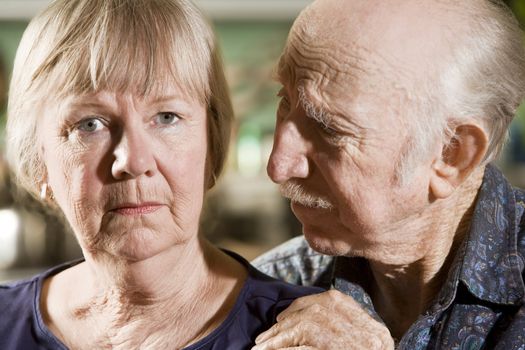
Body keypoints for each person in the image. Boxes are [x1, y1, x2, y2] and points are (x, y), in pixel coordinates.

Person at [0, 0, 321, 349]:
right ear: (38, 161)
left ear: (211, 144)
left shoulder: (302, 333)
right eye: (89, 124)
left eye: (166, 117)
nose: (134, 161)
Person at [252, 0, 525, 349]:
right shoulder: (274, 286)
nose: (278, 166)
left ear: (451, 154)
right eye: (284, 101)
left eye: (329, 129)